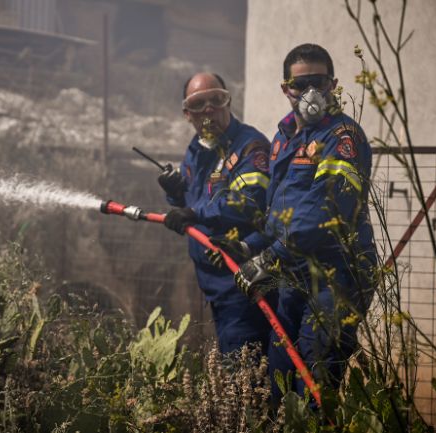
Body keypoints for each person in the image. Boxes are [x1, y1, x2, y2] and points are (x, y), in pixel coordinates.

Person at [227, 43, 377, 403]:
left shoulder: (343, 138)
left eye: (319, 82)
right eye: (300, 84)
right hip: (294, 276)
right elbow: (281, 212)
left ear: (333, 84)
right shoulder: (283, 139)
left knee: (314, 386)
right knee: (279, 382)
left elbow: (325, 212)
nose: (310, 92)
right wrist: (251, 244)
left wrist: (269, 258)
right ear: (286, 89)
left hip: (336, 278)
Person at [158, 72, 275, 354]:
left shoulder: (250, 146)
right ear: (187, 114)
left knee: (243, 370)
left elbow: (247, 203)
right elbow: (192, 197)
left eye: (216, 100)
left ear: (228, 102)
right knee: (236, 369)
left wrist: (193, 212)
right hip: (214, 285)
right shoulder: (197, 149)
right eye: (199, 104)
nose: (208, 109)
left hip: (244, 281)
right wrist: (175, 192)